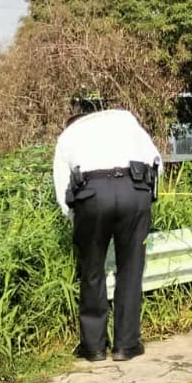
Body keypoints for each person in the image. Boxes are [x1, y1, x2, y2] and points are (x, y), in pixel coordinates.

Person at [53, 98, 162, 363]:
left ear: (75, 119)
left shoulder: (68, 135)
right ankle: (126, 346)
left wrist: (76, 219)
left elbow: (61, 187)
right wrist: (148, 200)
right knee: (130, 270)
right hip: (134, 191)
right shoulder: (125, 119)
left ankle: (94, 348)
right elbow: (157, 161)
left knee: (92, 270)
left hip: (91, 196)